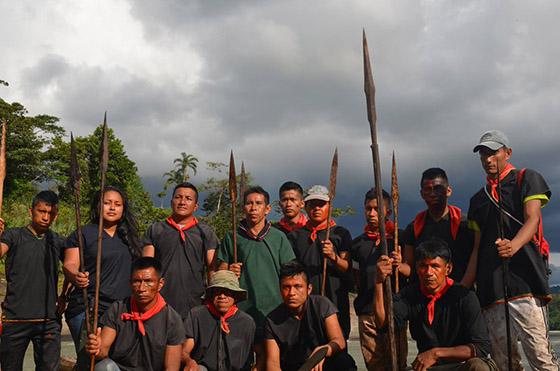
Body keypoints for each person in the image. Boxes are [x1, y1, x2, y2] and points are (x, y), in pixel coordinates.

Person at [465, 130, 557, 370]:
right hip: (491, 287)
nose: (488, 159)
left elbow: (533, 219)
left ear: (507, 152)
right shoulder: (477, 200)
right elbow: (476, 248)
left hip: (525, 282)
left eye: (493, 152)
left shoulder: (526, 179)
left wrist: (514, 245)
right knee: (503, 360)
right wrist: (464, 286)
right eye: (483, 154)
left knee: (540, 356)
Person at [375, 240, 495, 371]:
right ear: (416, 268)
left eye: (435, 266)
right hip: (429, 368)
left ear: (448, 269)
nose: (428, 272)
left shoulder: (465, 297)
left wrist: (436, 353)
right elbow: (383, 323)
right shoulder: (409, 295)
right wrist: (378, 281)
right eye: (423, 266)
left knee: (479, 367)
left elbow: (481, 347)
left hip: (461, 366)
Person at [217, 186, 296, 370]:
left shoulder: (278, 238)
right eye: (249, 203)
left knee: (271, 362)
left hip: (274, 312)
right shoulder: (232, 237)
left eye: (258, 203)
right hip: (240, 312)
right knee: (240, 362)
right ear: (242, 207)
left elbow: (290, 273)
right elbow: (219, 273)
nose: (253, 208)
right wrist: (229, 270)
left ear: (267, 209)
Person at [63, 186, 143, 354]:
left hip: (121, 312)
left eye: (117, 204)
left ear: (123, 208)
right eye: (107, 203)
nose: (112, 207)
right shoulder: (84, 233)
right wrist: (76, 276)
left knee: (116, 358)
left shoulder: (130, 238)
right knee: (88, 358)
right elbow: (69, 264)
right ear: (97, 206)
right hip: (88, 309)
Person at [0, 191, 66, 370]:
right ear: (31, 211)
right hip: (15, 319)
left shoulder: (58, 241)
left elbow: (72, 267)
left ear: (56, 215)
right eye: (41, 211)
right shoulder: (13, 236)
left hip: (48, 320)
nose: (45, 217)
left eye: (50, 213)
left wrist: (64, 296)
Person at [85, 257, 185, 370]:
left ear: (160, 284)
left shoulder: (172, 320)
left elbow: (171, 369)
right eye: (137, 281)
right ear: (130, 283)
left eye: (148, 282)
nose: (141, 288)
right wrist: (96, 348)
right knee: (103, 367)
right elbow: (103, 351)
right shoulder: (117, 309)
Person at [350, 188, 408, 370]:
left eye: (377, 208)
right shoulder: (358, 243)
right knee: (374, 363)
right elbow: (356, 276)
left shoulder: (400, 237)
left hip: (394, 309)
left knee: (397, 362)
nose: (372, 213)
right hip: (367, 311)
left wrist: (400, 264)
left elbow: (411, 271)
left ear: (388, 212)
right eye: (368, 209)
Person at [143, 182, 219, 319]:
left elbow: (212, 268)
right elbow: (147, 267)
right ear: (172, 201)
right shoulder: (156, 229)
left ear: (196, 206)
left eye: (188, 199)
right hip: (160, 302)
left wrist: (213, 297)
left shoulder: (205, 232)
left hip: (196, 303)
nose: (182, 202)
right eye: (178, 197)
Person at [287, 185, 353, 339]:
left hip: (335, 299)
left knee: (337, 343)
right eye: (312, 204)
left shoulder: (340, 234)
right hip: (307, 302)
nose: (317, 208)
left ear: (329, 207)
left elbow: (347, 267)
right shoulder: (296, 236)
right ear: (306, 206)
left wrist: (333, 256)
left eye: (321, 204)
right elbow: (291, 272)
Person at [265, 261, 356, 371]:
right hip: (293, 367)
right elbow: (272, 363)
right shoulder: (271, 320)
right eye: (286, 287)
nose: (291, 293)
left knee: (344, 361)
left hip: (322, 364)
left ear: (309, 289)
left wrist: (323, 351)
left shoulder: (322, 304)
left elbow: (339, 341)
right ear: (280, 289)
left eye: (298, 286)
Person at [402, 168, 473, 283]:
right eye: (427, 189)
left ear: (448, 191)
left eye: (437, 188)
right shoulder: (413, 228)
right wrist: (397, 266)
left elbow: (477, 254)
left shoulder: (467, 223)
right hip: (423, 294)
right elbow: (410, 266)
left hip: (459, 291)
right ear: (422, 194)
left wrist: (464, 287)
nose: (432, 193)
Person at [182, 270, 255, 371]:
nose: (222, 296)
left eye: (228, 292)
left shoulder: (247, 322)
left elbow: (259, 353)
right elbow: (184, 351)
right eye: (218, 291)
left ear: (236, 296)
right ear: (211, 295)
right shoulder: (197, 315)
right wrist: (189, 362)